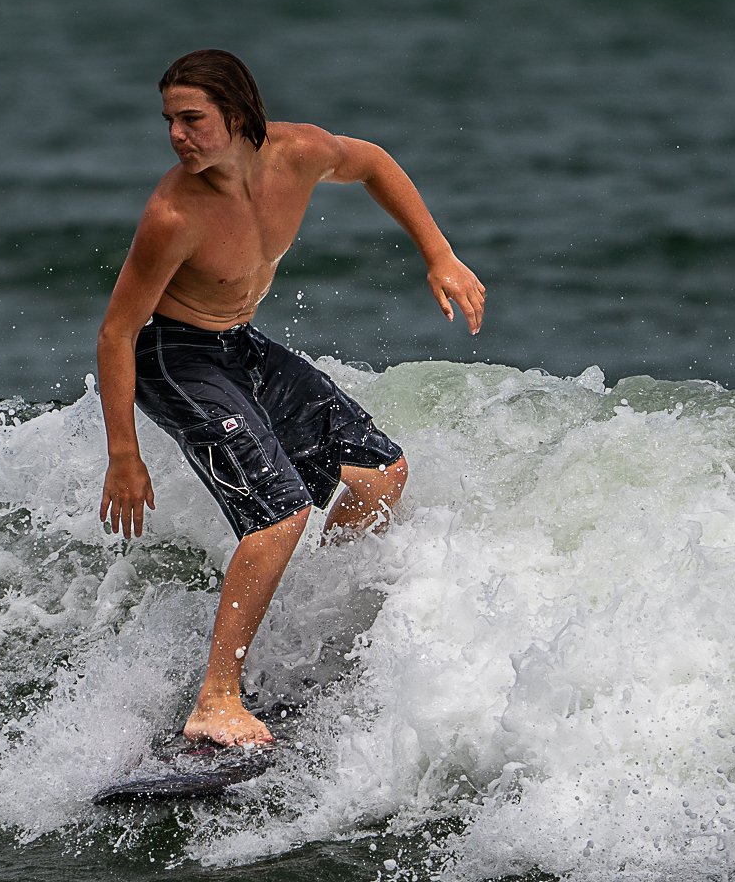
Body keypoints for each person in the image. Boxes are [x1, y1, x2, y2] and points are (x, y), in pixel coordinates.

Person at [96, 50, 486, 747]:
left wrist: (439, 254)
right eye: (170, 122)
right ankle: (215, 701)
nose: (177, 136)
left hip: (241, 346)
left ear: (238, 118)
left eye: (192, 120)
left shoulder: (300, 153)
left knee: (380, 472)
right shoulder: (173, 214)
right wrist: (123, 455)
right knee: (279, 514)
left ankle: (310, 628)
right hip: (174, 358)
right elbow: (116, 334)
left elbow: (372, 163)